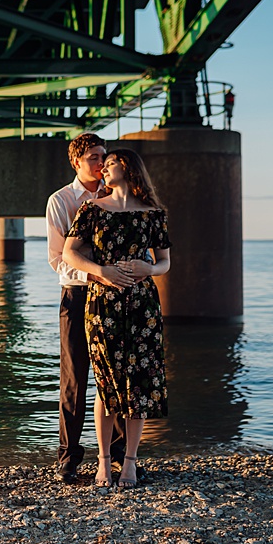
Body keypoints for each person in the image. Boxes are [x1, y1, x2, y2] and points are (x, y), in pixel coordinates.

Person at [62, 148, 171, 489]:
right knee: (106, 384)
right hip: (102, 303)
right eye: (102, 163)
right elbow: (69, 252)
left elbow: (165, 261)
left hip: (142, 304)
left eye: (109, 163)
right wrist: (102, 271)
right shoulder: (92, 209)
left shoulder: (154, 213)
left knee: (138, 384)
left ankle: (131, 463)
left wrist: (149, 268)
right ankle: (104, 463)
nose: (103, 169)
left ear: (126, 166)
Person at [45, 132, 127, 484]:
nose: (101, 162)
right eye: (94, 156)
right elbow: (56, 260)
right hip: (77, 295)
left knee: (118, 376)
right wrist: (98, 272)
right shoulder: (61, 200)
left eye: (104, 156)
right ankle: (68, 458)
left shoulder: (118, 195)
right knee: (75, 379)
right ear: (76, 161)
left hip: (114, 297)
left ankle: (121, 456)